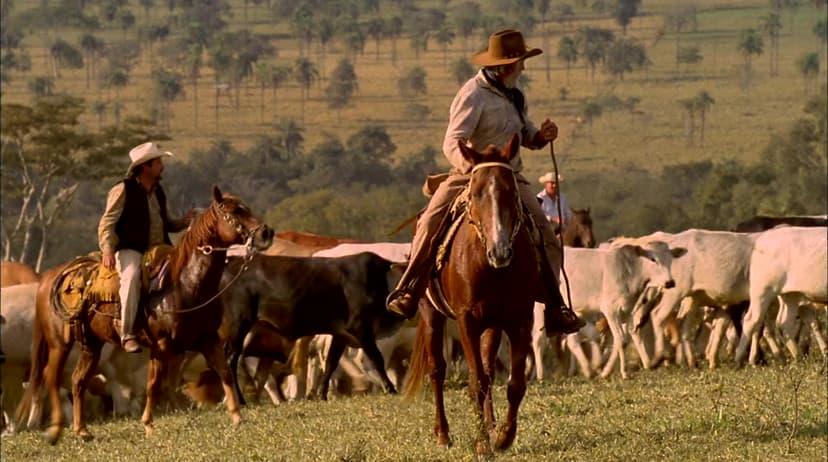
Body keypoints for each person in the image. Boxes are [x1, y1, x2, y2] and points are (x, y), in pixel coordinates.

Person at [386, 29, 585, 336]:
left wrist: (539, 137)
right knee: (430, 220)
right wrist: (475, 168)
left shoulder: (515, 94)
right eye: (520, 62)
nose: (522, 68)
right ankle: (409, 290)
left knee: (546, 233)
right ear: (506, 66)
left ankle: (555, 305)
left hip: (510, 176)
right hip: (471, 174)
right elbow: (452, 141)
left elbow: (525, 134)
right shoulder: (472, 94)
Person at [98, 142, 192, 353]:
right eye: (158, 162)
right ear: (145, 167)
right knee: (131, 276)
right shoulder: (123, 188)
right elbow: (107, 222)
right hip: (131, 249)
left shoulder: (158, 191)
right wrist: (107, 249)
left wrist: (183, 222)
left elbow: (166, 223)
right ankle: (127, 332)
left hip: (159, 248)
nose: (162, 166)